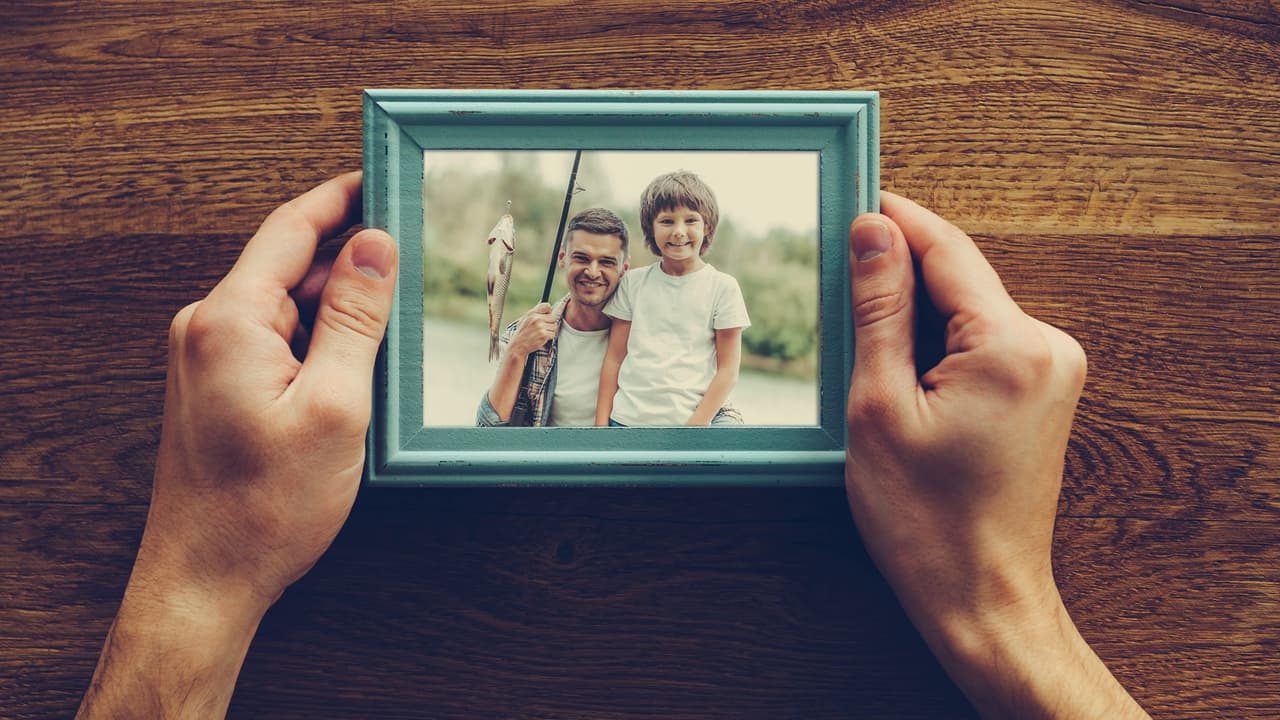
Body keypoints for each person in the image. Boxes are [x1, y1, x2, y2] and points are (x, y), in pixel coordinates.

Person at [76, 173, 1150, 719]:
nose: (592, 272)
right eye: (582, 261)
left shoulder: (694, 294)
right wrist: (514, 356)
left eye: (602, 259)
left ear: (624, 259)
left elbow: (708, 369)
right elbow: (491, 431)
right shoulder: (536, 335)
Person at [595, 171, 750, 427]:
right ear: (650, 228)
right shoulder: (633, 283)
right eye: (667, 221)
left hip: (691, 425)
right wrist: (600, 428)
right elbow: (614, 360)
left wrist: (695, 427)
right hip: (626, 422)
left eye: (691, 220)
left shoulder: (724, 287)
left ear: (707, 226)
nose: (679, 232)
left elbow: (728, 372)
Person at [476, 207, 630, 427]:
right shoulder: (525, 333)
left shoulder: (640, 339)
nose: (593, 272)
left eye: (606, 262)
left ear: (624, 268)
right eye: (581, 258)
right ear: (562, 258)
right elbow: (486, 433)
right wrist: (517, 351)